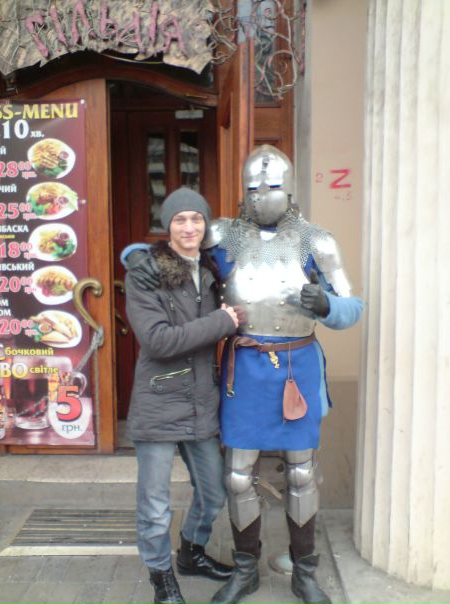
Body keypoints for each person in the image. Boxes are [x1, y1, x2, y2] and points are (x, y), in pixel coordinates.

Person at [122, 146, 363, 604]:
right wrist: (136, 256)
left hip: (297, 366)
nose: (261, 195)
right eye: (253, 187)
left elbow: (352, 306)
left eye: (270, 187)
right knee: (236, 477)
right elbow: (174, 248)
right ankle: (246, 571)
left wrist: (328, 306)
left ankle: (305, 574)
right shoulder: (221, 235)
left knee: (302, 474)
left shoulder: (318, 241)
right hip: (245, 370)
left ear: (289, 189)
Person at [124, 187, 240, 604]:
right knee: (155, 504)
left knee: (214, 492)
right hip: (158, 400)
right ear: (167, 226)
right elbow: (158, 341)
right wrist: (222, 322)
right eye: (179, 220)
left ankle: (191, 551)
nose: (189, 227)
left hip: (201, 400)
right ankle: (161, 577)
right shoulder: (145, 272)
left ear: (205, 224)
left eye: (196, 219)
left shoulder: (211, 270)